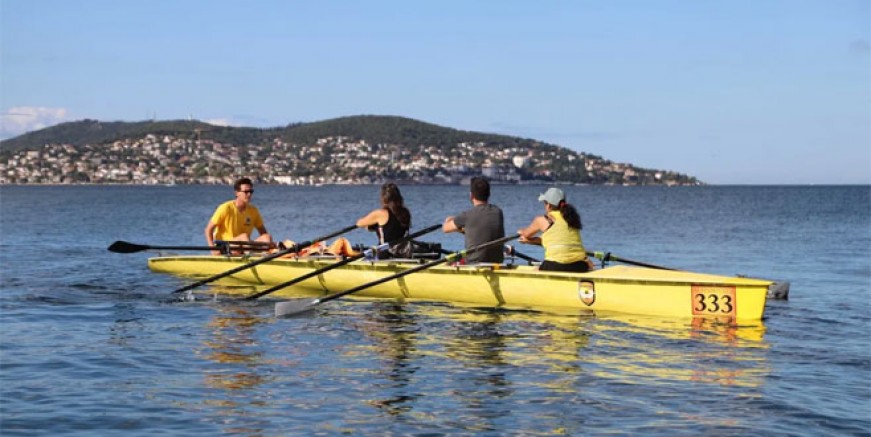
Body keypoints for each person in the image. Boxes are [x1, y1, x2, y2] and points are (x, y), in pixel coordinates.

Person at [517, 187, 593, 272]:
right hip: (579, 265)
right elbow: (556, 240)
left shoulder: (542, 220)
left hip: (555, 265)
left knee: (534, 270)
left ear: (548, 205)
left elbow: (526, 234)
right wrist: (530, 241)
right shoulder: (571, 219)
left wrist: (521, 232)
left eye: (544, 203)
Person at [443, 177, 505, 263]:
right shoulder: (498, 212)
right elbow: (481, 228)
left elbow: (445, 229)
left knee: (448, 262)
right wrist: (467, 229)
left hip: (473, 262)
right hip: (497, 261)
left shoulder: (467, 215)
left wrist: (448, 219)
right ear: (489, 194)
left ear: (471, 195)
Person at [204, 177, 272, 255]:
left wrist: (269, 245)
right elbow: (208, 230)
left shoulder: (253, 210)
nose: (249, 194)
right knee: (244, 237)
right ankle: (250, 257)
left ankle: (266, 258)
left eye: (251, 191)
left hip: (245, 245)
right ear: (237, 193)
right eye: (246, 192)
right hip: (225, 246)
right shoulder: (225, 208)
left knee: (267, 237)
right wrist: (213, 249)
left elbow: (263, 232)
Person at [355, 183, 413, 258]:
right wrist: (374, 227)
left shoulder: (380, 213)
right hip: (403, 252)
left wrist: (369, 226)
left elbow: (359, 223)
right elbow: (391, 229)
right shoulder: (405, 212)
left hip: (384, 254)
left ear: (383, 198)